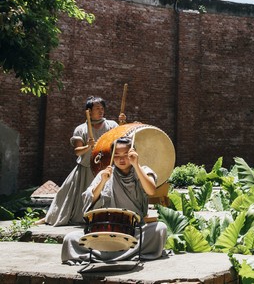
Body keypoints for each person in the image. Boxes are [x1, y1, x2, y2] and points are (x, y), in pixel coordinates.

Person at [61, 136, 167, 263]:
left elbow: (151, 190)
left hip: (134, 231)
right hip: (106, 231)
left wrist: (136, 165)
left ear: (133, 153)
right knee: (70, 239)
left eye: (126, 154)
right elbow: (89, 200)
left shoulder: (143, 170)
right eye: (116, 155)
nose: (121, 159)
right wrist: (103, 182)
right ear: (111, 156)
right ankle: (127, 253)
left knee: (160, 229)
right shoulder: (105, 174)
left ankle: (105, 254)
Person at [40, 96, 123, 226]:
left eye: (102, 108)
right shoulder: (81, 129)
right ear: (89, 111)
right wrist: (88, 146)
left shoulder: (112, 125)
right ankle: (51, 217)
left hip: (105, 167)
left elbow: (121, 138)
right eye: (97, 108)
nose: (101, 111)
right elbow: (77, 151)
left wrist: (122, 123)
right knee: (65, 193)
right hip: (86, 167)